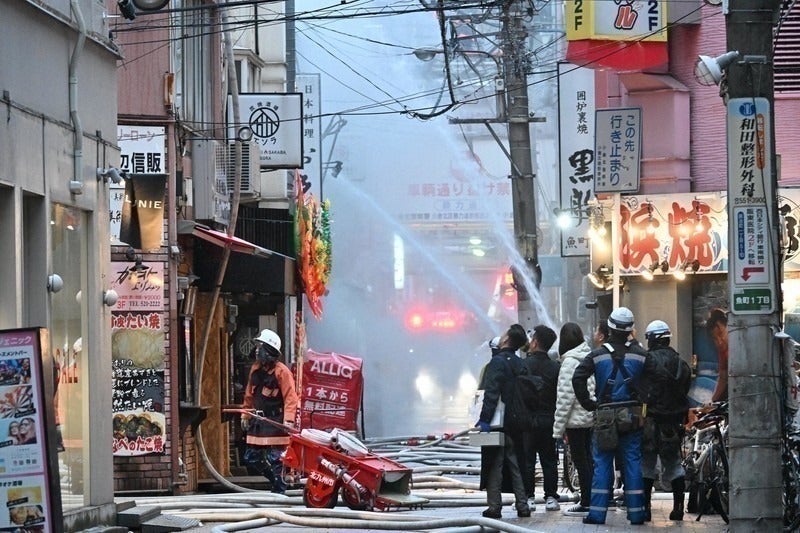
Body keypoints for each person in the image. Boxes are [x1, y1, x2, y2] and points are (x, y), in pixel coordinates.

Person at [573, 307, 648, 525]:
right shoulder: (641, 355)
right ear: (630, 330)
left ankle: (597, 514)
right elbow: (654, 380)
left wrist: (589, 404)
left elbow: (578, 377)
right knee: (632, 462)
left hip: (605, 416)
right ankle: (637, 514)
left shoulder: (597, 355)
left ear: (610, 329)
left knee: (603, 463)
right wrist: (645, 401)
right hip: (633, 415)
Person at [475, 324, 532, 519]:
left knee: (494, 465)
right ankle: (523, 505)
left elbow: (491, 393)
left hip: (499, 423)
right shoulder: (521, 363)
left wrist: (484, 419)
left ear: (506, 339)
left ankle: (494, 507)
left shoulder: (497, 362)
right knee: (517, 465)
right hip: (518, 422)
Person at [640, 320, 691, 521]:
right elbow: (685, 389)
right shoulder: (681, 364)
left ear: (652, 339)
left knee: (647, 464)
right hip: (673, 423)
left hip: (650, 420)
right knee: (674, 464)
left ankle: (645, 508)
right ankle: (678, 508)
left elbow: (641, 388)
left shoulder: (647, 361)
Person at [241, 328, 298, 494]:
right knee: (251, 456)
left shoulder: (282, 372)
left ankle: (279, 490)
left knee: (276, 459)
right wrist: (246, 414)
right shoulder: (255, 370)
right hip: (259, 421)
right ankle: (275, 481)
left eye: (260, 347)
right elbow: (249, 394)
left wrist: (288, 420)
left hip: (276, 421)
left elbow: (291, 398)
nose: (257, 350)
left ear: (269, 350)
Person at [553, 322, 595, 517]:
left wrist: (557, 429)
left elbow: (565, 398)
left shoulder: (569, 362)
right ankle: (592, 497)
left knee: (581, 461)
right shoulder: (588, 357)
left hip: (575, 420)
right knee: (588, 459)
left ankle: (586, 501)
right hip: (588, 417)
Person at [517, 325, 560, 511]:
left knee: (527, 460)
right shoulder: (555, 367)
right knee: (549, 460)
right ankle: (551, 497)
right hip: (549, 420)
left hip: (526, 421)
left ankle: (528, 497)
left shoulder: (523, 365)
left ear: (534, 342)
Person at [707, 308, 728, 402]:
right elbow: (723, 377)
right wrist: (712, 401)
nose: (719, 342)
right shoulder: (722, 352)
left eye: (721, 334)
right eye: (715, 339)